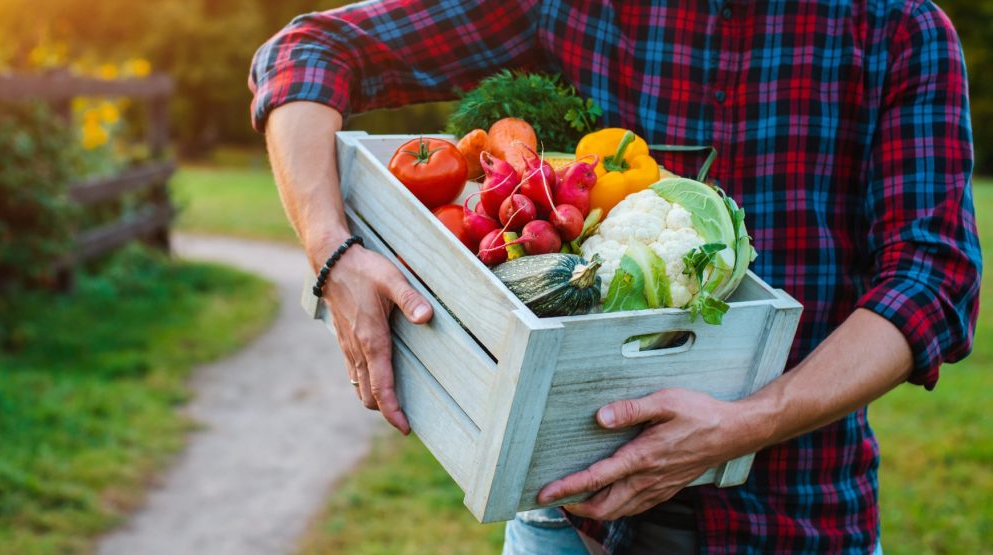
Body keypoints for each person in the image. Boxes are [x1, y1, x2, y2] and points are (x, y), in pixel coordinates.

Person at [248, 1, 981, 553]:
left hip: (797, 517)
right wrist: (331, 253)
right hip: (569, 521)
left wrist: (744, 425)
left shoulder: (898, 29)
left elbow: (931, 279)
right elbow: (309, 51)